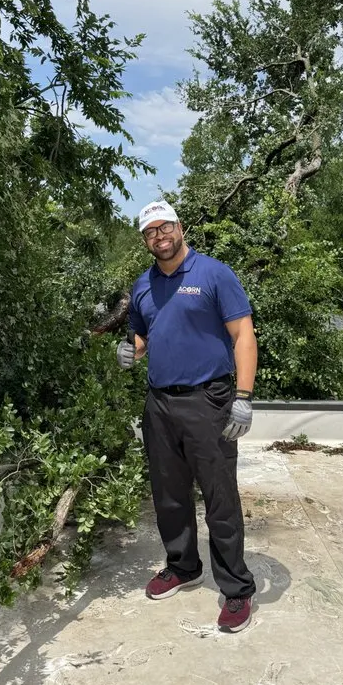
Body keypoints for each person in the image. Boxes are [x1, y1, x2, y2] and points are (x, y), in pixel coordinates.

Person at [116, 200, 257, 633]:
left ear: (180, 228)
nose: (159, 236)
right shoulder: (142, 284)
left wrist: (244, 396)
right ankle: (183, 565)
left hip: (207, 400)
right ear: (145, 240)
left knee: (219, 496)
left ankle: (236, 589)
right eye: (150, 232)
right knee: (169, 494)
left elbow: (243, 334)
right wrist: (131, 350)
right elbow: (144, 333)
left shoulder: (214, 273)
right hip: (158, 402)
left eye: (164, 227)